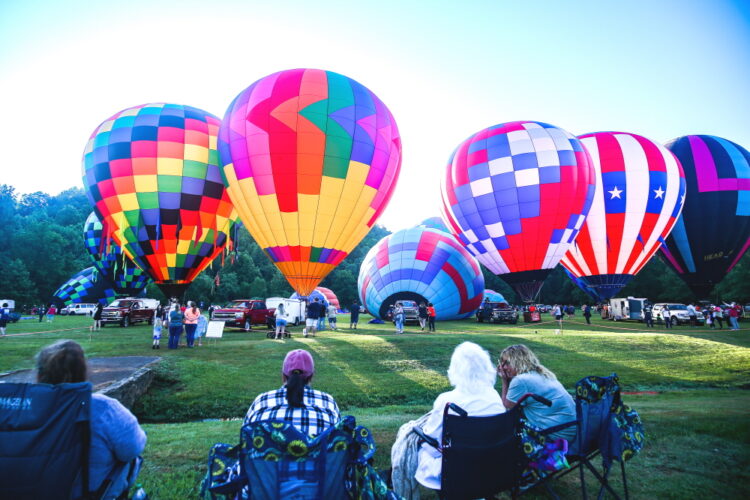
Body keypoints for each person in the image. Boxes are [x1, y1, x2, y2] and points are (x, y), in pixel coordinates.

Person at [35, 340, 146, 499]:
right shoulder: (104, 408)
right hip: (90, 493)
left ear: (39, 374)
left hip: (34, 490)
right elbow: (133, 449)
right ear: (84, 372)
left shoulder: (24, 409)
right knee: (131, 455)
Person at [415, 342, 504, 490]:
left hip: (455, 470)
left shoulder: (447, 401)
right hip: (491, 465)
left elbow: (431, 442)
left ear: (455, 368)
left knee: (415, 444)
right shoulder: (493, 396)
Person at [244, 349, 340, 438]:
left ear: (283, 376)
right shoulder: (328, 402)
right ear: (311, 376)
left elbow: (245, 439)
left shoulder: (261, 401)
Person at [498, 344, 576, 442]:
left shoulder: (521, 380)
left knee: (506, 432)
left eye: (507, 363)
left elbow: (507, 406)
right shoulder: (542, 373)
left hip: (555, 434)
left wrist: (504, 381)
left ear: (518, 361)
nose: (503, 367)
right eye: (501, 363)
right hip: (570, 428)